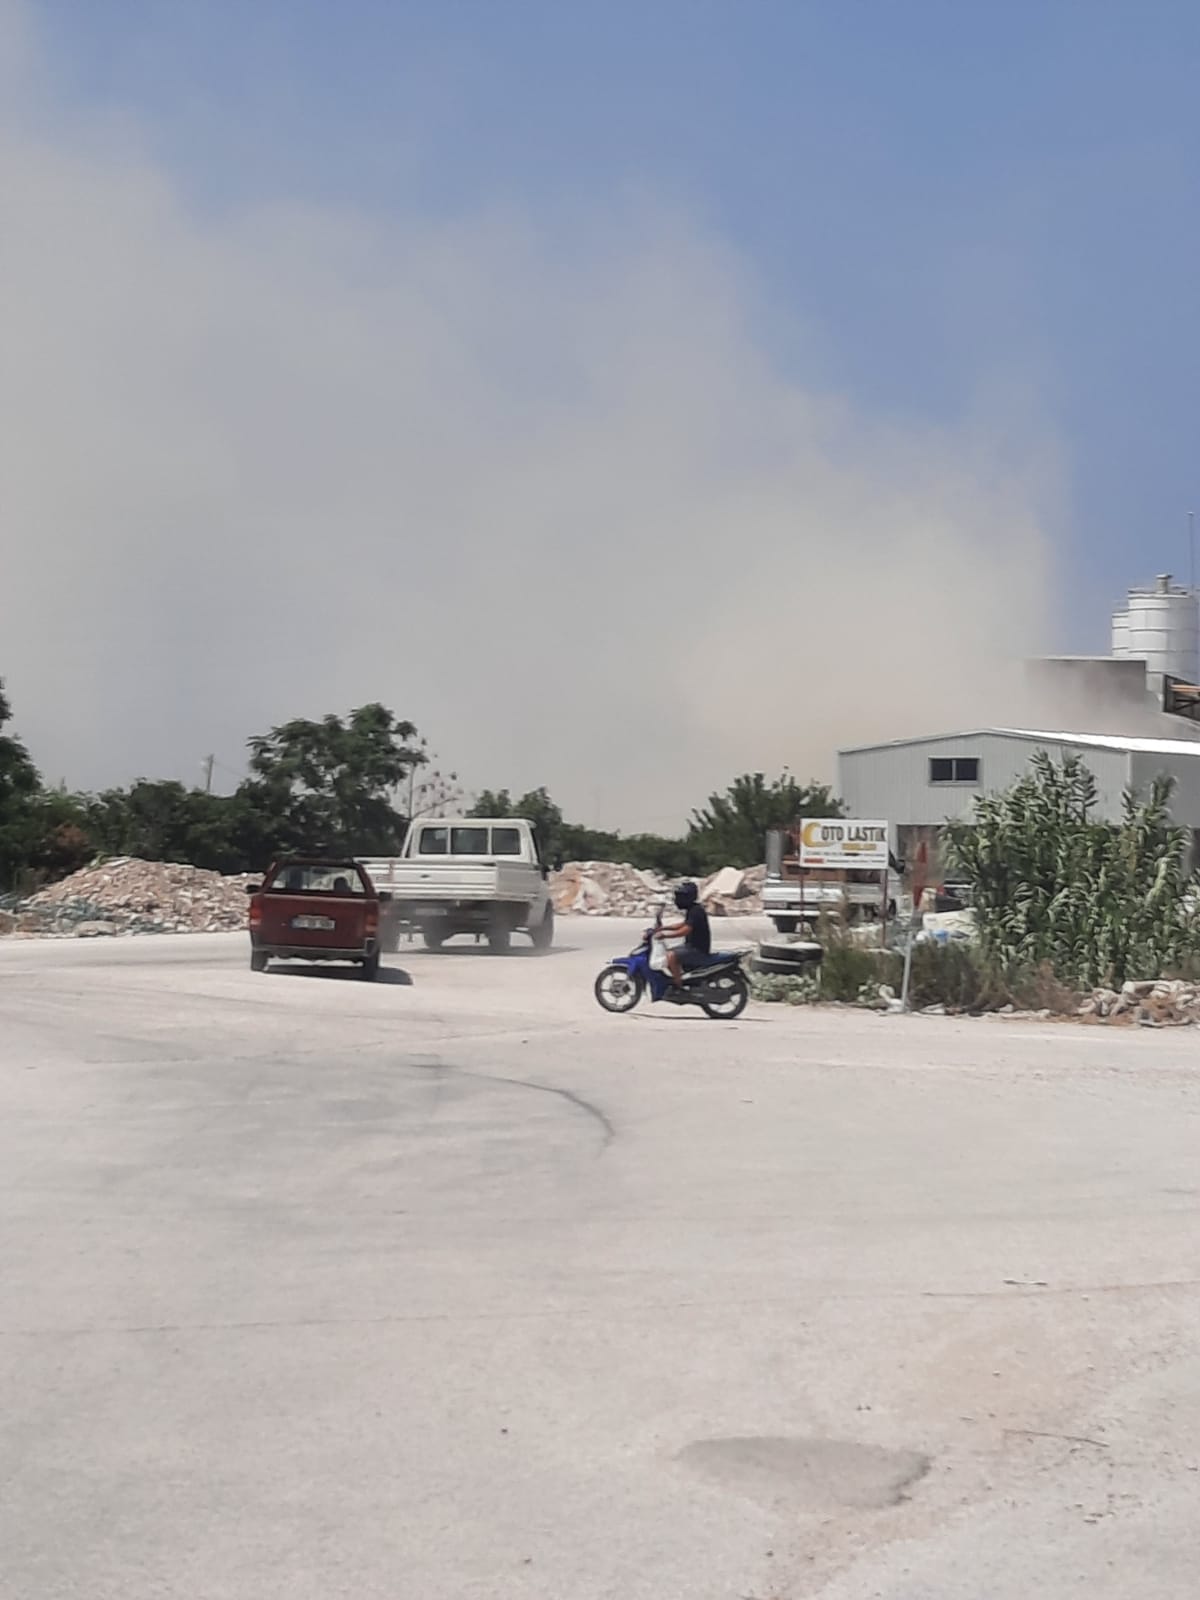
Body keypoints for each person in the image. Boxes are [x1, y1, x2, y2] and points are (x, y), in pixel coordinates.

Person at [655, 881, 711, 987]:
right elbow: (683, 924)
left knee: (670, 956)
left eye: (680, 897)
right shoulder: (693, 909)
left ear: (688, 897)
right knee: (668, 953)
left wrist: (665, 935)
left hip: (697, 949)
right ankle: (681, 977)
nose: (677, 900)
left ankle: (678, 985)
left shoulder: (696, 911)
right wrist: (664, 928)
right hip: (691, 947)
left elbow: (685, 930)